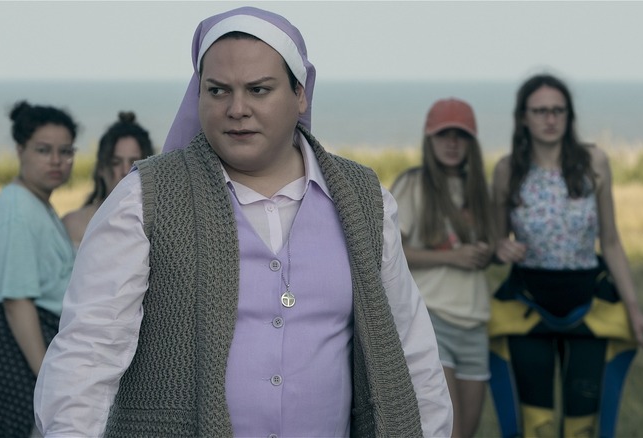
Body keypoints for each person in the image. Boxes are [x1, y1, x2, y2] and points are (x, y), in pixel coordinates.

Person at [34, 6, 452, 437]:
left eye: (258, 89)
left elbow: (410, 348)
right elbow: (88, 352)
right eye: (217, 91)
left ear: (300, 93)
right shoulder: (145, 199)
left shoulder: (365, 200)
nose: (237, 109)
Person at [487, 73, 643, 438]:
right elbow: (495, 244)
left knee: (583, 425)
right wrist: (500, 247)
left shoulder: (595, 162)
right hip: (527, 304)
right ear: (523, 117)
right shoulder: (507, 170)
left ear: (568, 115)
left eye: (558, 110)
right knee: (538, 424)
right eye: (540, 111)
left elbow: (611, 242)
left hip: (588, 302)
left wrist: (633, 309)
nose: (550, 119)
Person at [390, 98, 494, 438]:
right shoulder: (412, 184)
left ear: (471, 143)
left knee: (467, 432)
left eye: (460, 135)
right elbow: (391, 253)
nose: (452, 143)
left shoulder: (479, 190)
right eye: (443, 134)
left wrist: (496, 250)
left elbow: (487, 247)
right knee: (448, 431)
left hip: (475, 324)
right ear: (429, 139)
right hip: (433, 320)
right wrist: (453, 257)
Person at [0, 101, 77, 437]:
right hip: (17, 346)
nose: (57, 161)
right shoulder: (16, 208)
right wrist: (48, 378)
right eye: (44, 150)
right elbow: (17, 302)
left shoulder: (37, 203)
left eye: (66, 151)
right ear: (20, 150)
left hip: (37, 343)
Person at [62, 111, 154, 248]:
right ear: (101, 168)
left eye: (134, 163)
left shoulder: (156, 226)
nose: (125, 171)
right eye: (115, 162)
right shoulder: (74, 224)